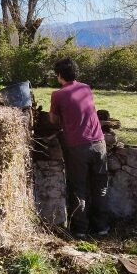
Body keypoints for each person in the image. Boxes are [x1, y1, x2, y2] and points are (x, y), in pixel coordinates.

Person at [49, 57, 109, 238]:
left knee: (78, 188)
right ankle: (102, 228)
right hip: (99, 143)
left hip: (77, 147)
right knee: (100, 187)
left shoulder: (58, 95)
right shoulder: (86, 88)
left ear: (59, 75)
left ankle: (80, 230)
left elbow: (52, 120)